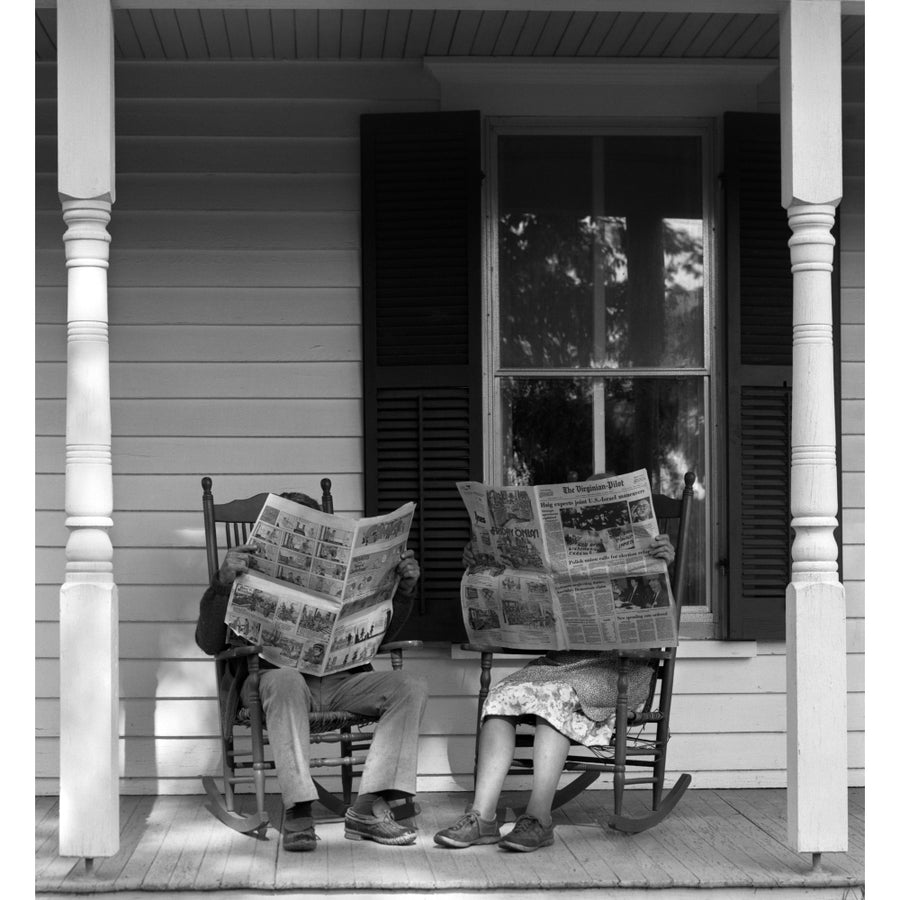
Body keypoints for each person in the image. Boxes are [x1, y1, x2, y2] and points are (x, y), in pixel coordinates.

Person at [433, 477, 675, 853]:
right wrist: (483, 564)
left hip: (620, 667)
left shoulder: (650, 548)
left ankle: (538, 819)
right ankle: (482, 817)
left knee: (553, 700)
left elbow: (656, 613)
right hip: (559, 661)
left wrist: (664, 566)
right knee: (500, 697)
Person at [196, 491, 428, 853]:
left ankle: (366, 807)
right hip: (275, 682)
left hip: (340, 680)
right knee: (287, 679)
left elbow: (376, 638)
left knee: (410, 686)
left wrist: (405, 591)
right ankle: (299, 808)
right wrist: (222, 582)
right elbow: (209, 642)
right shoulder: (240, 571)